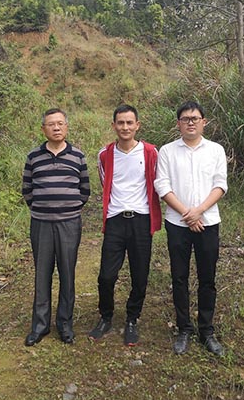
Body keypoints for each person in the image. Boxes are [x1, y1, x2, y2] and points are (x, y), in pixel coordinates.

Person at [154, 101, 228, 356]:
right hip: (177, 224)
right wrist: (187, 214)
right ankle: (184, 328)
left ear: (204, 122)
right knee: (179, 276)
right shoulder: (167, 151)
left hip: (208, 222)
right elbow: (162, 185)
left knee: (207, 277)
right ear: (178, 124)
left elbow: (220, 184)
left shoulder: (216, 150)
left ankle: (207, 330)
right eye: (185, 119)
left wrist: (199, 211)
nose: (190, 122)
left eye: (195, 118)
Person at [88, 104, 162, 346]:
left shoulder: (150, 152)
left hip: (141, 219)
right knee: (106, 276)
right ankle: (105, 316)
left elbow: (156, 182)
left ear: (137, 125)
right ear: (113, 126)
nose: (125, 127)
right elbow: (106, 183)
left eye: (130, 122)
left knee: (140, 275)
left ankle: (132, 318)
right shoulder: (105, 154)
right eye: (120, 122)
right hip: (115, 219)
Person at [22, 108, 90, 346]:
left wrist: (68, 208)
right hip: (41, 224)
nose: (56, 128)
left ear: (66, 127)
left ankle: (65, 324)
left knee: (67, 273)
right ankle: (40, 326)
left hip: (69, 224)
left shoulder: (77, 156)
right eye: (51, 124)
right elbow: (27, 189)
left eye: (60, 123)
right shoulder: (33, 157)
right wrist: (42, 208)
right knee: (42, 274)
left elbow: (85, 190)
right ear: (44, 129)